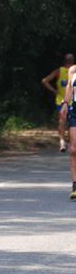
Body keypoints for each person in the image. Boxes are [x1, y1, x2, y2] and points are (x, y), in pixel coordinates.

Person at [41, 53, 75, 152]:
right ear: (72, 62)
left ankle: (62, 142)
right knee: (72, 123)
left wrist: (53, 90)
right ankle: (70, 143)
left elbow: (44, 80)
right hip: (72, 101)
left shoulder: (58, 71)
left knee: (62, 122)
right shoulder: (74, 71)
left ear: (64, 61)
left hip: (60, 100)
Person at [60, 64, 76, 199]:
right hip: (75, 111)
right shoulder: (73, 70)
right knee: (73, 150)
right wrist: (65, 103)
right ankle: (75, 186)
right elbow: (70, 87)